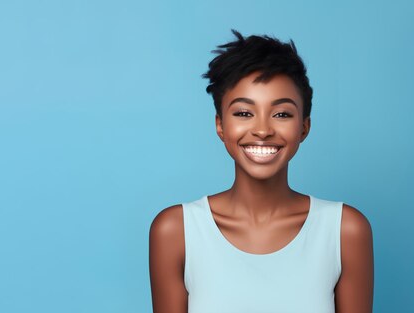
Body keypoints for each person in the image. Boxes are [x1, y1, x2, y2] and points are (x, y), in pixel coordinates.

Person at [148, 30, 374, 313]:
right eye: (244, 113)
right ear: (220, 125)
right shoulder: (176, 230)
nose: (263, 130)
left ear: (304, 127)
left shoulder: (345, 231)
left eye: (282, 114)